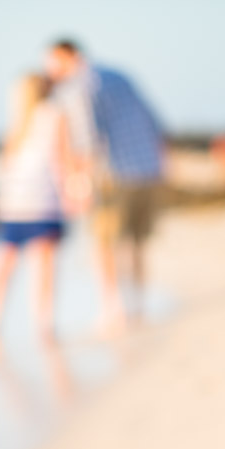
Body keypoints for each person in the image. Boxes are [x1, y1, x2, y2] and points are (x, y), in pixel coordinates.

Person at [46, 39, 164, 331]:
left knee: (103, 242)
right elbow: (153, 120)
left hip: (113, 174)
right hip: (148, 169)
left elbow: (85, 139)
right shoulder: (120, 75)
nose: (48, 69)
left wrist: (79, 184)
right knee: (136, 243)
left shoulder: (76, 86)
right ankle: (138, 304)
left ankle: (113, 308)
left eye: (51, 62)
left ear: (67, 57)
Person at [0, 73, 81, 357]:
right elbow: (62, 160)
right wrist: (72, 194)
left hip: (11, 202)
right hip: (42, 200)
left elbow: (8, 164)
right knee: (44, 269)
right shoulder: (54, 115)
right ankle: (44, 327)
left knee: (3, 265)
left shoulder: (17, 119)